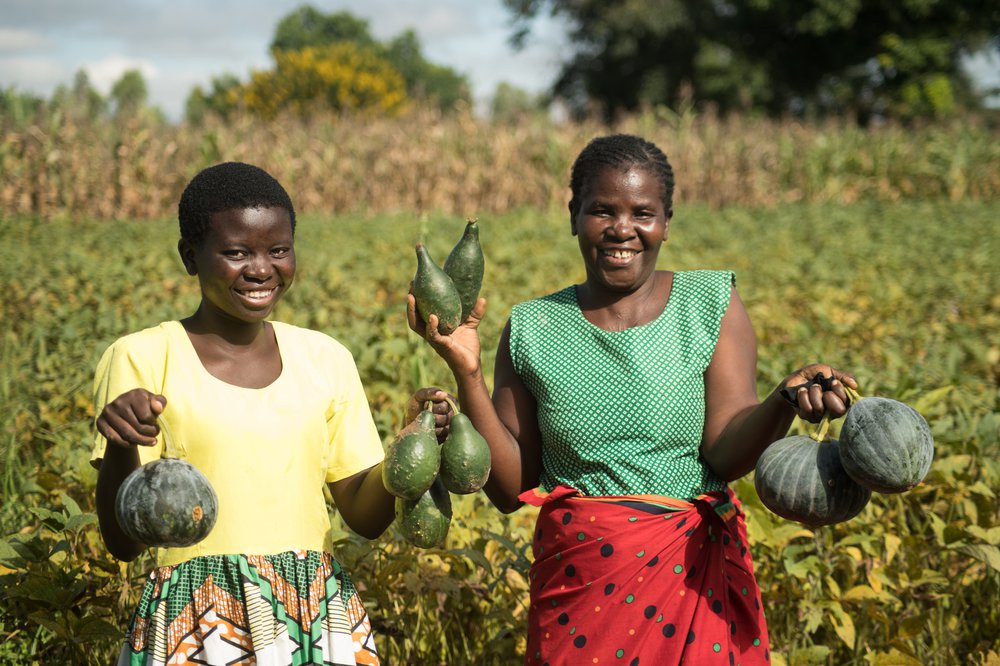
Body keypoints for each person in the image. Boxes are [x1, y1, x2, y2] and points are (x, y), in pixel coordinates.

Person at [408, 134, 857, 665]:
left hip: (692, 580)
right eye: (602, 210)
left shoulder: (710, 304)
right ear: (574, 215)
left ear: (666, 221)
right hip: (581, 586)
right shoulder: (534, 326)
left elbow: (726, 451)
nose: (623, 229)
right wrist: (469, 373)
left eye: (643, 213)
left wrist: (784, 400)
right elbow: (512, 487)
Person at [92, 161, 446, 666]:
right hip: (199, 618)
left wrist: (415, 443)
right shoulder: (143, 357)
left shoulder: (326, 358)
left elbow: (364, 517)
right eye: (236, 252)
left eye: (278, 250)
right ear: (190, 256)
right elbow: (122, 541)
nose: (261, 269)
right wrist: (121, 441)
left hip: (316, 612)